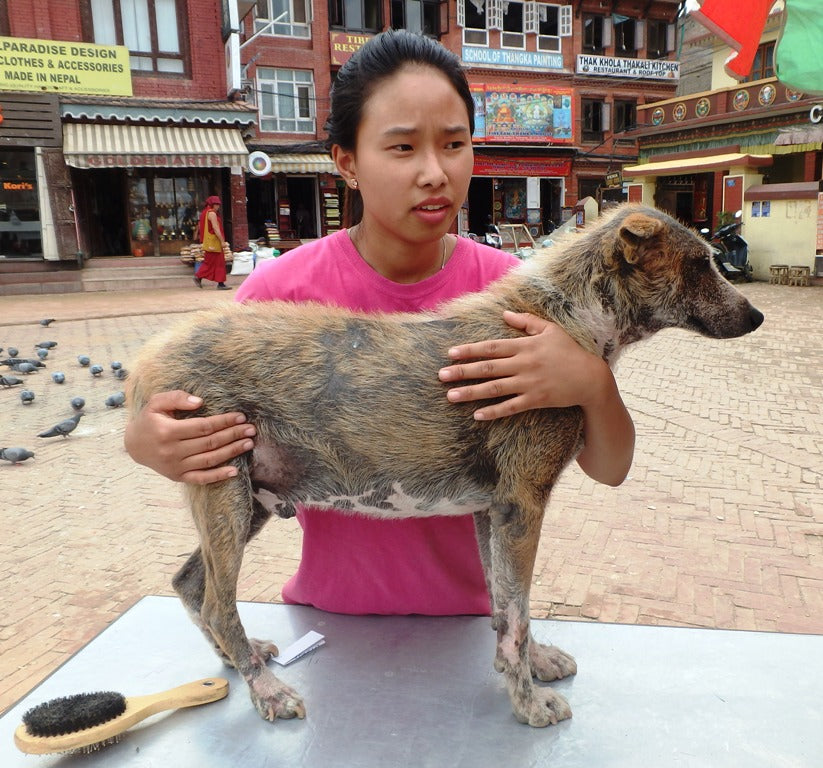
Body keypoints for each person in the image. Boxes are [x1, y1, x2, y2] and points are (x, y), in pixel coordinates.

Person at [125, 30, 634, 617]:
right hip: (328, 623)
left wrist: (592, 382)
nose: (434, 172)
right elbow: (186, 419)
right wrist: (144, 443)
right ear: (347, 162)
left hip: (471, 630)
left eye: (453, 144)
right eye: (401, 148)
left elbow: (611, 467)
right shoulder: (282, 297)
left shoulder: (515, 295)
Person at [193, 195, 230, 290]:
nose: (218, 206)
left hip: (209, 242)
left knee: (210, 262)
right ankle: (219, 283)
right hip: (214, 242)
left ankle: (200, 277)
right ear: (212, 204)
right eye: (216, 204)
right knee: (218, 263)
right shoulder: (212, 214)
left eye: (218, 204)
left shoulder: (204, 213)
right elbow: (215, 228)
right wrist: (222, 241)